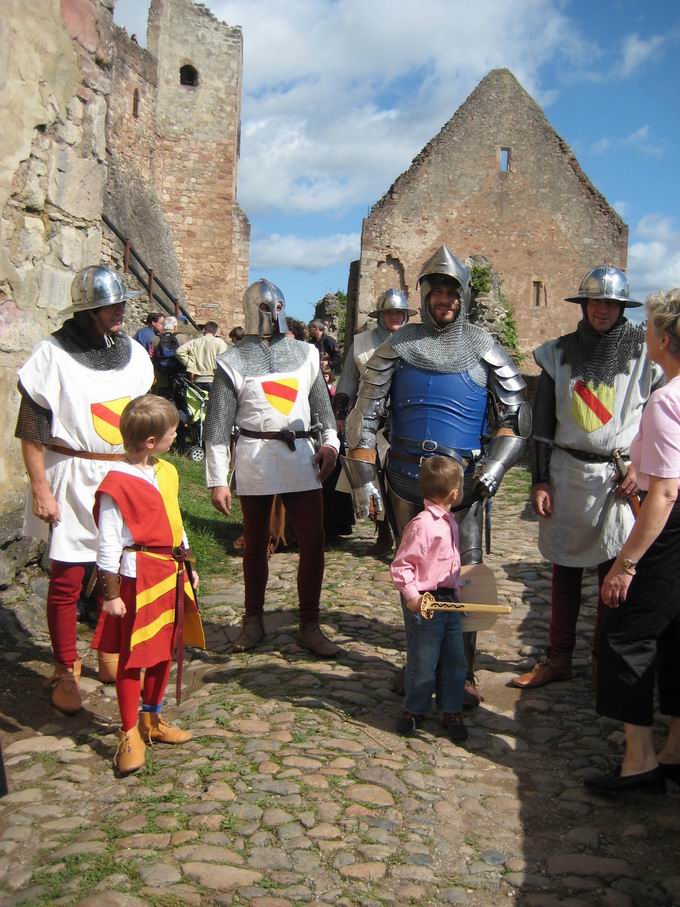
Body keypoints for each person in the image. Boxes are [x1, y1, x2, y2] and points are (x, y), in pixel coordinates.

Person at [342, 246, 529, 706]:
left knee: (465, 578)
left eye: (451, 291)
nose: (444, 298)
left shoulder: (484, 346)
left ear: (462, 297)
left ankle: (461, 673)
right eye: (436, 290)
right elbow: (364, 418)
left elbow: (516, 418)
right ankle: (419, 666)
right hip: (406, 479)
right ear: (423, 295)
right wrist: (366, 479)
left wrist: (496, 465)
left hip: (461, 485)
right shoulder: (397, 345)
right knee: (416, 577)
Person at [511, 266, 663, 690]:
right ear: (584, 306)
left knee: (609, 570)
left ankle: (602, 659)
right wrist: (539, 480)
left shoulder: (644, 354)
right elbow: (541, 423)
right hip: (566, 473)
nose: (602, 310)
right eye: (596, 302)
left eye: (610, 303)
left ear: (621, 307)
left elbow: (660, 415)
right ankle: (558, 657)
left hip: (618, 477)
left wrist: (642, 466)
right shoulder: (559, 353)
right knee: (563, 570)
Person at [15, 266, 153, 713]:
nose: (120, 311)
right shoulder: (51, 355)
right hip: (71, 474)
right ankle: (64, 666)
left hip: (121, 474)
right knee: (68, 578)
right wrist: (41, 488)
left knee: (115, 571)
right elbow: (31, 433)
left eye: (121, 304)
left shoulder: (132, 352)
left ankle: (106, 650)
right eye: (111, 305)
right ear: (88, 310)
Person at [205, 279, 341, 656]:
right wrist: (218, 479)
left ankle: (310, 625)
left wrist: (330, 444)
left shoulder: (307, 354)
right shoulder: (231, 360)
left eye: (278, 307)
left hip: (300, 455)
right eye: (267, 308)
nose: (273, 314)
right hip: (253, 456)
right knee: (255, 545)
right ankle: (253, 622)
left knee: (313, 542)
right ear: (253, 311)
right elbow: (217, 427)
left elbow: (323, 411)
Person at [585, 288, 680, 794]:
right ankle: (675, 749)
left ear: (664, 338)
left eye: (649, 329)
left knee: (625, 635)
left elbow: (664, 493)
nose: (644, 336)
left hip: (667, 526)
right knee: (676, 633)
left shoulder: (667, 399)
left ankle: (640, 760)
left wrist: (626, 564)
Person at [92, 395, 204, 775]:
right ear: (151, 441)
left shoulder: (167, 471)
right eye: (173, 431)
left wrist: (188, 563)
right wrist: (110, 594)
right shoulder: (115, 484)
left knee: (164, 649)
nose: (178, 434)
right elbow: (107, 540)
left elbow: (176, 520)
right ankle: (128, 732)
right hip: (135, 578)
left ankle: (151, 720)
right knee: (131, 656)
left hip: (169, 571)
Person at [390, 456, 468, 741]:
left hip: (450, 600)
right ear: (454, 494)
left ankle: (452, 709)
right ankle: (414, 709)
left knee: (454, 658)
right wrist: (412, 597)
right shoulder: (422, 526)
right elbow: (401, 566)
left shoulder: (449, 522)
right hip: (426, 603)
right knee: (424, 658)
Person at [335, 288, 416, 554]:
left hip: (405, 419)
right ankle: (383, 531)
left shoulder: (415, 342)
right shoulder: (361, 343)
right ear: (381, 315)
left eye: (399, 312)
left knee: (402, 479)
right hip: (369, 419)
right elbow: (347, 382)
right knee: (372, 477)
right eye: (390, 312)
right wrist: (341, 416)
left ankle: (406, 532)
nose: (395, 316)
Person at [175, 320, 228, 390]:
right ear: (215, 332)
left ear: (204, 330)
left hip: (197, 379)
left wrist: (190, 364)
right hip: (213, 380)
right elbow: (223, 360)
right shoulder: (220, 343)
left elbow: (179, 351)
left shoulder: (194, 342)